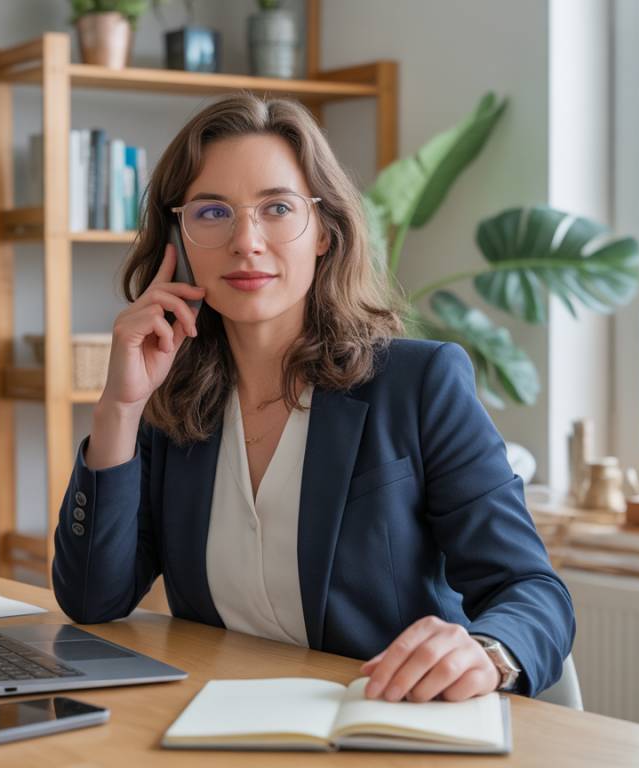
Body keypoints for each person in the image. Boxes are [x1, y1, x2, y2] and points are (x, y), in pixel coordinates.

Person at [52, 92, 575, 701]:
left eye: (277, 208)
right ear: (180, 238)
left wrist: (489, 653)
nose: (246, 241)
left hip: (385, 721)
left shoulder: (418, 383)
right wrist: (119, 408)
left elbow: (532, 590)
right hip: (215, 720)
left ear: (323, 232)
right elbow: (93, 599)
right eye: (213, 212)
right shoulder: (169, 397)